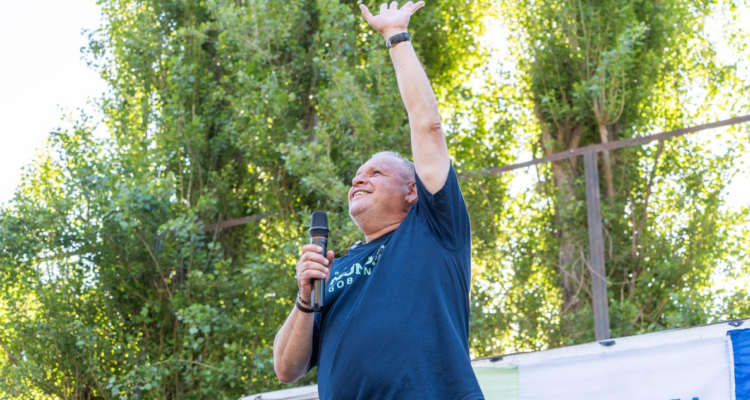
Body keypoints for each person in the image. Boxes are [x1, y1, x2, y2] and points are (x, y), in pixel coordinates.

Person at [273, 2, 483, 399]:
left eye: (376, 173)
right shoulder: (331, 270)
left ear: (412, 191)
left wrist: (396, 37)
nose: (359, 178)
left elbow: (429, 126)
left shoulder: (435, 229)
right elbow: (286, 367)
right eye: (357, 175)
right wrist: (305, 297)